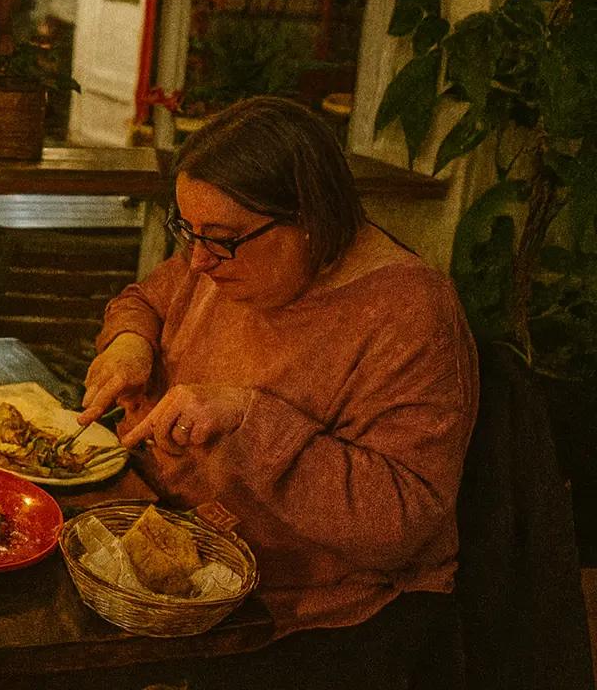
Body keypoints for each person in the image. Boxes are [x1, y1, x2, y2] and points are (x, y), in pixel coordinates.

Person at [79, 96, 478, 688]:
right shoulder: (222, 255)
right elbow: (145, 299)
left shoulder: (409, 316)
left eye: (220, 239)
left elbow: (402, 523)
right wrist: (129, 343)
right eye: (187, 230)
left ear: (311, 219)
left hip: (301, 614)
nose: (198, 259)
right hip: (163, 544)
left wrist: (248, 419)